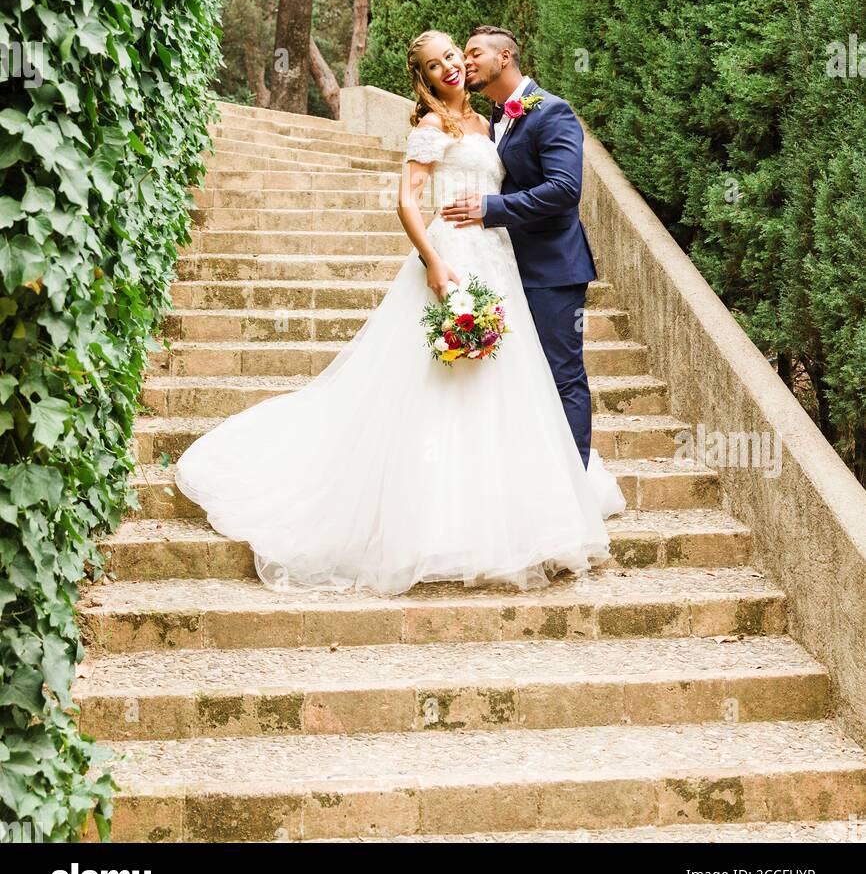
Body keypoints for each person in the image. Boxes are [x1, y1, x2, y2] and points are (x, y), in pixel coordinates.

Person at [174, 30, 625, 597]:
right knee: (441, 381)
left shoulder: (499, 123)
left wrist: (489, 211)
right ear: (425, 78)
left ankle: (536, 497)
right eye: (437, 65)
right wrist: (432, 261)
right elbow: (407, 199)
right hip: (452, 257)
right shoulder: (433, 126)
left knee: (519, 380)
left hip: (503, 261)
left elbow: (557, 188)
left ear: (483, 59)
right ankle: (435, 516)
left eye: (458, 57)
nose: (452, 67)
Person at [442, 26, 597, 470]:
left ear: (505, 57)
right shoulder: (496, 118)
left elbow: (565, 189)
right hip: (505, 267)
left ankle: (575, 484)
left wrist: (490, 208)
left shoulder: (553, 112)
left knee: (562, 376)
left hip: (553, 269)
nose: (465, 62)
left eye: (474, 54)